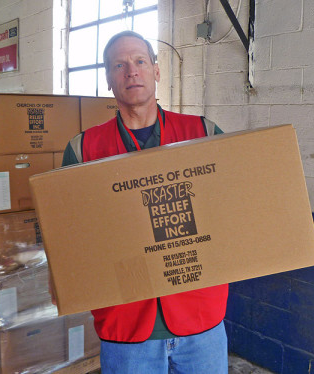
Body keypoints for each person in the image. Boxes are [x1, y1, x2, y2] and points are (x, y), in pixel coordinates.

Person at [60, 31, 229, 374]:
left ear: (156, 70)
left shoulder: (203, 134)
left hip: (200, 319)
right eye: (118, 65)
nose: (131, 71)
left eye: (140, 61)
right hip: (127, 326)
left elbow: (232, 214)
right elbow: (71, 237)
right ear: (108, 79)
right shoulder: (83, 150)